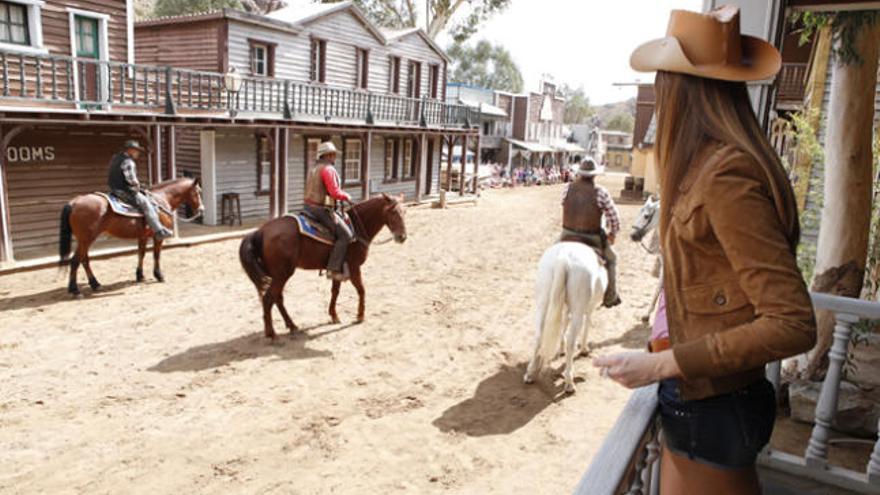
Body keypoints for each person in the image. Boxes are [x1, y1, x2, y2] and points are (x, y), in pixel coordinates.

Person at [593, 7, 816, 495]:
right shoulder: (714, 164)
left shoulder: (726, 176)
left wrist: (661, 365)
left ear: (680, 90)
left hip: (713, 404)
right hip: (707, 399)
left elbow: (793, 322)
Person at [560, 157, 621, 308]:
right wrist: (612, 233)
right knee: (612, 259)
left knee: (551, 254)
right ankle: (610, 296)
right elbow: (614, 218)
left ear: (580, 173)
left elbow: (563, 204)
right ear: (594, 175)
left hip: (566, 235)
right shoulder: (601, 192)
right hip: (591, 237)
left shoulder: (568, 188)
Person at [304, 141, 353, 281]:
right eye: (333, 155)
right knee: (346, 235)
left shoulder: (313, 168)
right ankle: (332, 269)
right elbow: (334, 192)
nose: (334, 157)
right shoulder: (328, 169)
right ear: (328, 155)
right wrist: (347, 196)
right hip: (321, 209)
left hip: (308, 208)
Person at [107, 140, 173, 240]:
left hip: (114, 189)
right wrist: (139, 187)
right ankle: (159, 231)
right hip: (125, 191)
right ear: (130, 150)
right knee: (146, 203)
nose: (138, 153)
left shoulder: (115, 158)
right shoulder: (128, 161)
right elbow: (131, 180)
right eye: (136, 150)